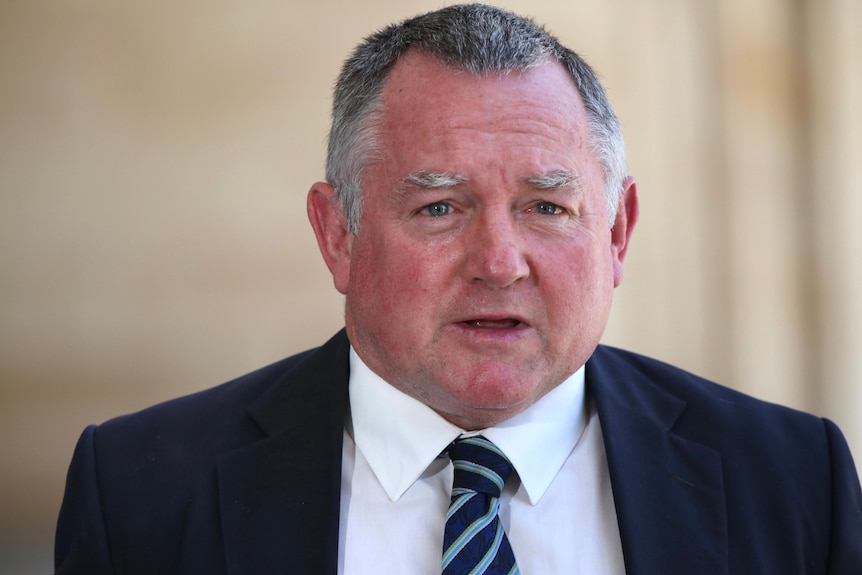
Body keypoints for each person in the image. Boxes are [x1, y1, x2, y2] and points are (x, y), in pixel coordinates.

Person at [55, 4, 862, 574]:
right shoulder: (140, 492)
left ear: (617, 231)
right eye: (440, 207)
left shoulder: (794, 480)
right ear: (339, 234)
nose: (500, 261)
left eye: (548, 207)